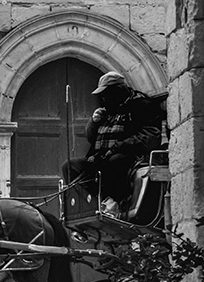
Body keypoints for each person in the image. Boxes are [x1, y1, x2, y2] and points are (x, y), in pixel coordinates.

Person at [62, 71, 165, 216]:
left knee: (115, 161)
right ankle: (103, 201)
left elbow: (151, 136)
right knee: (70, 166)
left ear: (118, 91)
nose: (103, 98)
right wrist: (94, 121)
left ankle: (117, 204)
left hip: (129, 157)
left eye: (107, 94)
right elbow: (91, 137)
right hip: (100, 158)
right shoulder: (108, 111)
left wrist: (119, 147)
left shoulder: (142, 105)